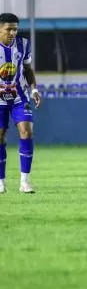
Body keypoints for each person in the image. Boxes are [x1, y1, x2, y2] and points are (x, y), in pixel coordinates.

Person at [0, 13, 43, 193]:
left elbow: (27, 69)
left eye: (15, 29)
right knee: (0, 136)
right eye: (8, 29)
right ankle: (1, 182)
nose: (12, 33)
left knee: (26, 131)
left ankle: (25, 181)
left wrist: (33, 89)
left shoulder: (23, 44)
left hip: (19, 96)